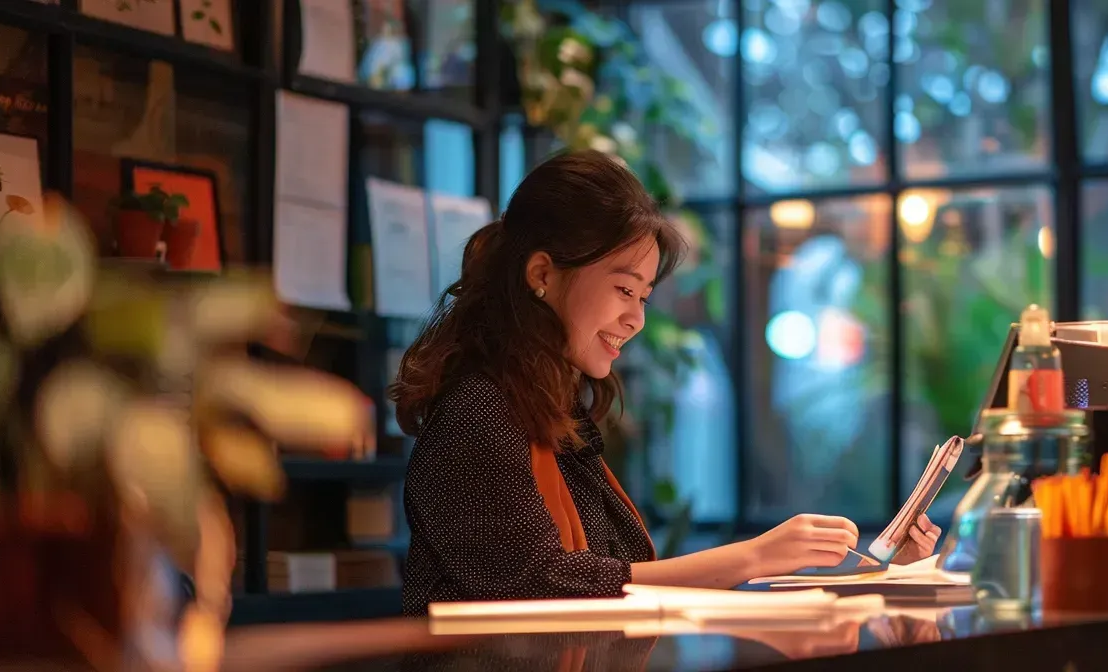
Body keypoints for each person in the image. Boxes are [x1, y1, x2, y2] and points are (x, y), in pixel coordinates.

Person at [390, 151, 939, 614]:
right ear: (541, 275)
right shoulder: (478, 411)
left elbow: (613, 578)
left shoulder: (552, 413)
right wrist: (752, 557)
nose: (636, 320)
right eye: (624, 291)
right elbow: (545, 585)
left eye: (644, 297)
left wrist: (885, 577)